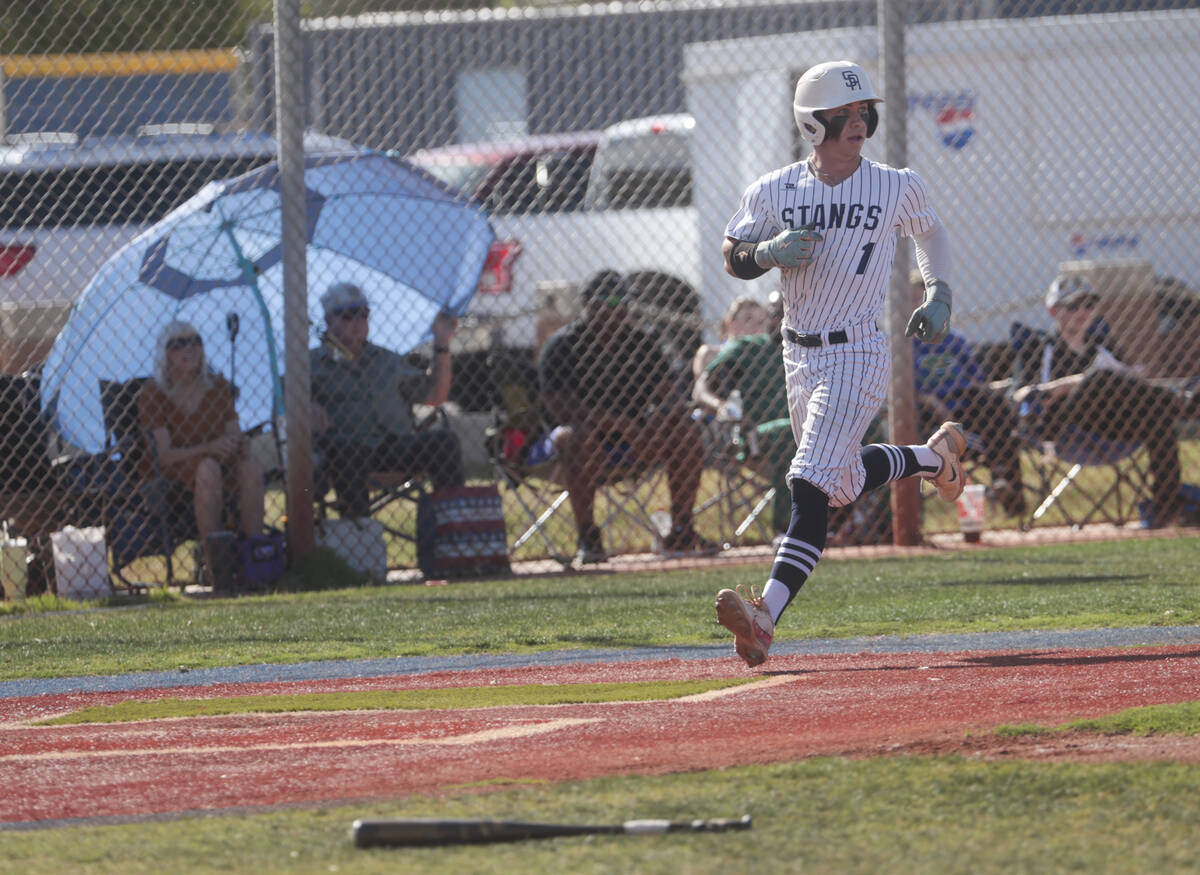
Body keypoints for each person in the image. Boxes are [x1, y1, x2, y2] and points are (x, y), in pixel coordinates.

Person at [714, 59, 967, 668]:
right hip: (797, 353)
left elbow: (930, 234)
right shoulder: (775, 189)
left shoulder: (893, 183)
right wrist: (767, 251)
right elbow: (732, 253)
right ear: (812, 124)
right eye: (843, 114)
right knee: (840, 480)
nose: (859, 122)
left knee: (807, 481)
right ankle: (938, 459)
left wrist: (939, 291)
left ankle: (765, 616)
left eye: (864, 112)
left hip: (858, 349)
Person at [539, 269, 718, 563]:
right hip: (582, 436)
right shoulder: (562, 345)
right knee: (577, 438)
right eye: (605, 302)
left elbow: (669, 393)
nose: (614, 310)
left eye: (621, 302)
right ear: (587, 304)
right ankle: (589, 536)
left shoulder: (642, 341)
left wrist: (659, 418)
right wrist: (621, 425)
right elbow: (560, 408)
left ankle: (681, 530)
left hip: (638, 435)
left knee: (685, 430)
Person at [1011, 274, 1184, 527]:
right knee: (1098, 377)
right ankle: (1181, 400)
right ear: (1053, 310)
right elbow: (1020, 394)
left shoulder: (1101, 345)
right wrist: (1068, 385)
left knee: (1159, 421)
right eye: (1073, 305)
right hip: (1064, 431)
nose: (1083, 312)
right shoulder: (1039, 347)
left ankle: (1165, 508)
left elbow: (1129, 382)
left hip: (1109, 427)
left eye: (1089, 304)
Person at [310, 282, 465, 518]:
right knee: (347, 453)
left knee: (445, 442)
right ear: (329, 320)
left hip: (392, 445)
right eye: (348, 315)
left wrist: (441, 344)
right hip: (346, 449)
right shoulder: (311, 365)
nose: (358, 322)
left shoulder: (386, 360)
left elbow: (435, 396)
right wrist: (304, 405)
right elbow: (283, 401)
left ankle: (455, 523)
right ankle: (359, 533)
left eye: (364, 314)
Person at [138, 321, 266, 574]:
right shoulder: (152, 394)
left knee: (250, 467)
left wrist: (239, 444)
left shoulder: (217, 386)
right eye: (178, 344)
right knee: (207, 468)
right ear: (165, 354)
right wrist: (209, 448)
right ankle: (216, 562)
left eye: (196, 341)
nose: (189, 348)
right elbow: (163, 455)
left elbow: (233, 432)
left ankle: (254, 557)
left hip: (218, 460)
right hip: (175, 469)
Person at [908, 273, 1026, 517]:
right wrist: (935, 404)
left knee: (992, 403)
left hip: (965, 408)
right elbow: (901, 391)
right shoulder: (903, 344)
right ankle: (1003, 475)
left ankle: (1005, 482)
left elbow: (978, 382)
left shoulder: (955, 341)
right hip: (928, 416)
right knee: (982, 413)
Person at [693, 291, 795, 539]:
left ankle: (869, 525)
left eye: (762, 321)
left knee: (867, 430)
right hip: (749, 437)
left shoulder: (792, 349)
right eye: (750, 319)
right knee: (790, 432)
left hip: (796, 429)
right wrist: (721, 407)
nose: (761, 325)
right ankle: (788, 531)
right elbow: (701, 389)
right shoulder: (737, 349)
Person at [690, 295, 771, 383]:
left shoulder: (768, 358)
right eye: (748, 319)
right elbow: (701, 390)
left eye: (760, 322)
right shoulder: (710, 354)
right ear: (731, 323)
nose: (755, 326)